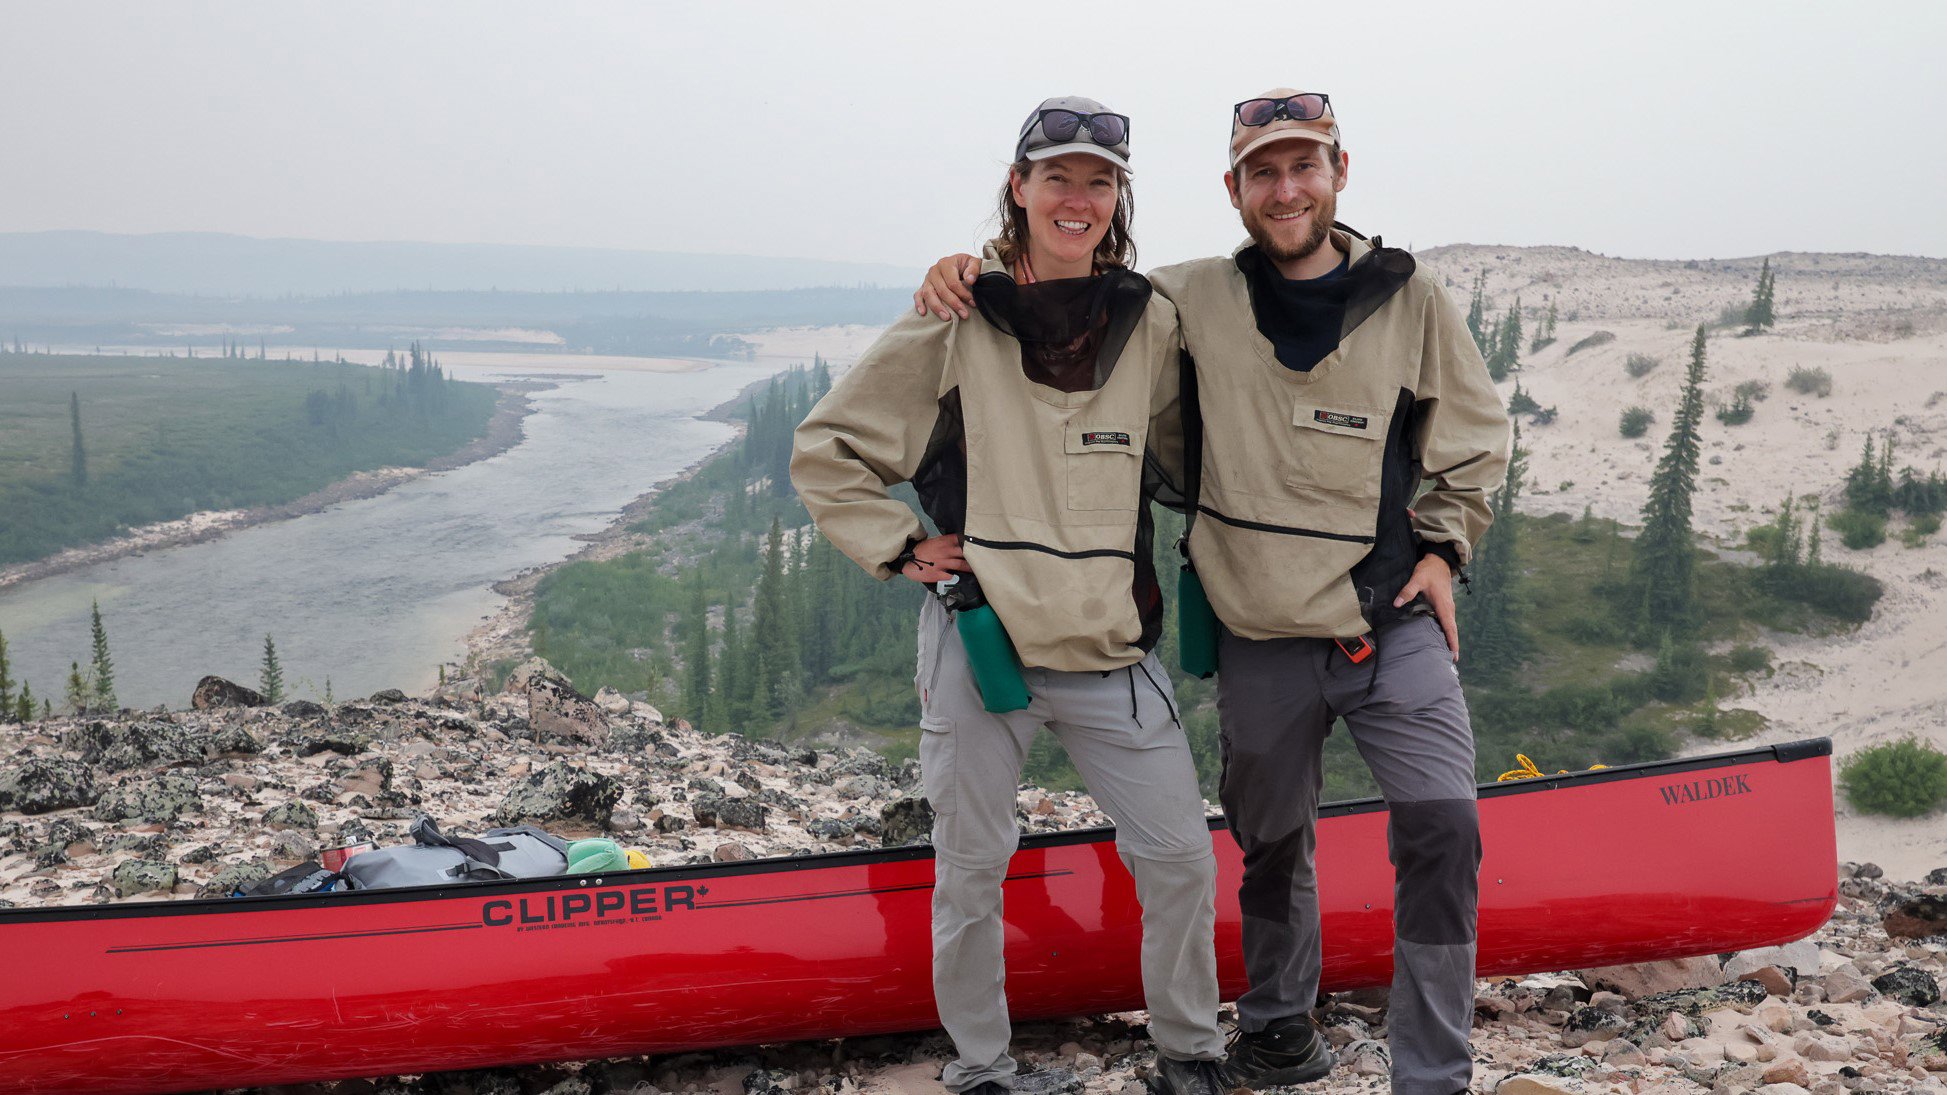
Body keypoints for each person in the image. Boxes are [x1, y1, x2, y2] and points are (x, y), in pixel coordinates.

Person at [914, 89, 1511, 1095]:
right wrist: (965, 269)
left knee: (1445, 826)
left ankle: (1434, 1079)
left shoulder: (1410, 298)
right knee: (1270, 840)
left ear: (1339, 172)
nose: (1287, 190)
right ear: (1233, 189)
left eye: (1304, 167)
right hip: (1259, 630)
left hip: (1387, 617)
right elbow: (1065, 283)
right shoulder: (1187, 296)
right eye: (1264, 173)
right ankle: (1280, 1031)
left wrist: (1445, 552)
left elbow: (1476, 438)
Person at [790, 97, 1229, 1095]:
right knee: (972, 869)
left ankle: (1191, 1053)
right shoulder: (958, 315)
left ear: (1118, 201)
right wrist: (898, 544)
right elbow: (830, 448)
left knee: (1178, 859)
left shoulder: (1148, 319)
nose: (1077, 198)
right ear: (1020, 189)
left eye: (1099, 181)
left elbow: (1187, 453)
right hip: (979, 639)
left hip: (1110, 644)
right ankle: (981, 1068)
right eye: (1057, 177)